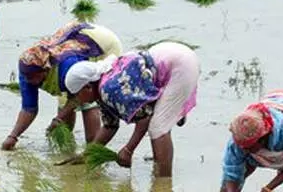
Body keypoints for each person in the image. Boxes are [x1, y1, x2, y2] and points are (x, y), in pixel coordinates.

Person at [64, 41, 200, 178]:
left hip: (179, 65)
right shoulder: (102, 87)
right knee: (160, 121)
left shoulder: (108, 89)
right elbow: (110, 126)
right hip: (169, 57)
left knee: (158, 128)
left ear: (87, 86)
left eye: (76, 95)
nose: (78, 101)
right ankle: (174, 114)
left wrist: (128, 150)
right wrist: (88, 154)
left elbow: (144, 119)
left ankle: (163, 184)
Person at [1, 21, 123, 150]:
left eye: (33, 77)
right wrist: (13, 136)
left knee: (89, 100)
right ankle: (66, 145)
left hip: (102, 44)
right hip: (74, 45)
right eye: (26, 77)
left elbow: (78, 98)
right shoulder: (27, 70)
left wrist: (58, 119)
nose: (29, 80)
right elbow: (29, 109)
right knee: (63, 102)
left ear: (45, 70)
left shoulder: (66, 66)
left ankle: (92, 148)